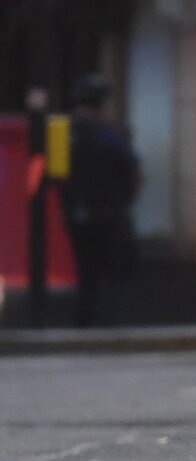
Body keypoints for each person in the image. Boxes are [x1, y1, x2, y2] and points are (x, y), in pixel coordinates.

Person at [63, 73, 139, 328]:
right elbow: (134, 173)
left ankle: (82, 323)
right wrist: (127, 200)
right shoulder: (110, 134)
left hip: (76, 214)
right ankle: (109, 324)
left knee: (87, 273)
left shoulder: (64, 134)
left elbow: (50, 174)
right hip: (110, 213)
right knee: (117, 272)